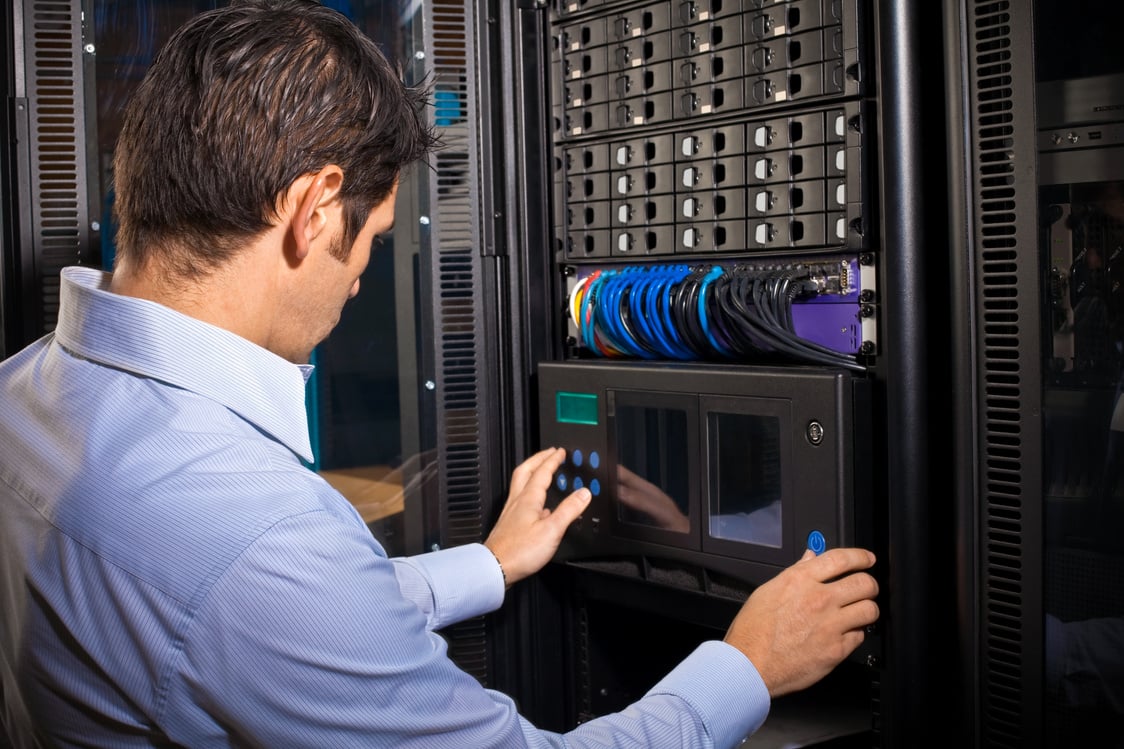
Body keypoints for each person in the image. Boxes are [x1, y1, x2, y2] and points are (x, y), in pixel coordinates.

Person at [0, 1, 880, 746]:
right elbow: (259, 590)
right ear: (311, 210)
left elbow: (245, 618)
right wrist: (748, 663)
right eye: (375, 238)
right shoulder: (257, 533)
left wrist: (487, 564)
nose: (358, 275)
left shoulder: (22, 389)